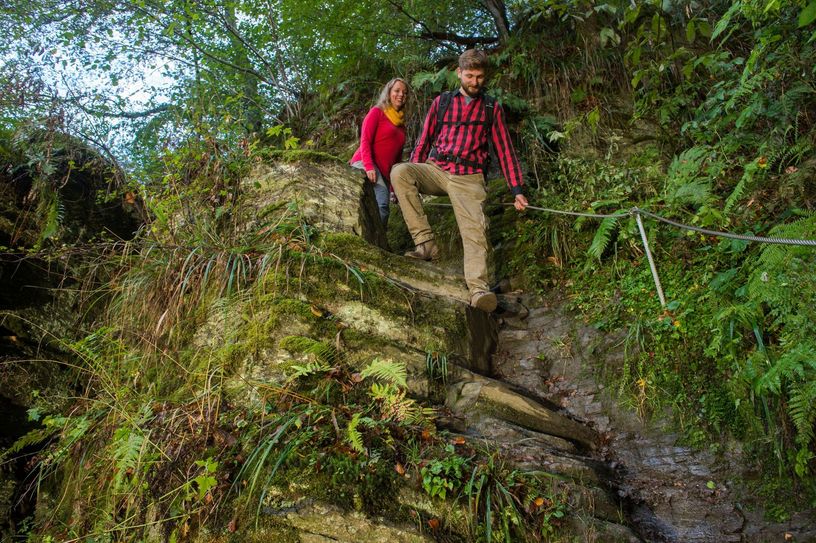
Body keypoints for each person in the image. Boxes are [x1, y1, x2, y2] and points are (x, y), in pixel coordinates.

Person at [390, 49, 528, 313]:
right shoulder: (441, 102)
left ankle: (478, 290)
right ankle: (426, 244)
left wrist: (517, 190)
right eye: (469, 76)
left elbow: (505, 150)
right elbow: (423, 141)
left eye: (479, 77)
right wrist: (414, 168)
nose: (475, 82)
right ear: (459, 73)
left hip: (470, 178)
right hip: (438, 170)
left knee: (475, 231)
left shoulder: (491, 108)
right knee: (400, 172)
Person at [350, 78, 409, 231]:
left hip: (383, 173)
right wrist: (369, 166)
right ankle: (375, 245)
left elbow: (395, 161)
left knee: (379, 206)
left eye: (404, 92)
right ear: (389, 93)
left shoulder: (402, 127)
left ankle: (374, 241)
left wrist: (393, 188)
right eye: (397, 91)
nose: (401, 94)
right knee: (382, 205)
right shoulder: (377, 112)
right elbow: (365, 141)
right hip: (364, 162)